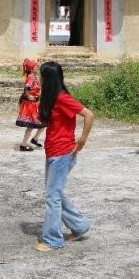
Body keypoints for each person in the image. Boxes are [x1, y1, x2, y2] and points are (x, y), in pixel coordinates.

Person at [35, 61, 94, 251]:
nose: (38, 79)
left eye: (41, 76)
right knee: (55, 193)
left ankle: (53, 239)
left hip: (62, 153)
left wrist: (82, 140)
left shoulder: (62, 97)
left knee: (52, 196)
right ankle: (80, 225)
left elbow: (89, 115)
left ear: (49, 79)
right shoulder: (51, 97)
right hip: (53, 152)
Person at [16, 58, 46, 151]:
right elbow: (27, 87)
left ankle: (34, 139)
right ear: (32, 69)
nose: (37, 68)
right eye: (36, 66)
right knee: (31, 125)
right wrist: (29, 96)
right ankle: (23, 145)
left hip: (34, 104)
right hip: (31, 105)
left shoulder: (33, 77)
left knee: (43, 123)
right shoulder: (31, 77)